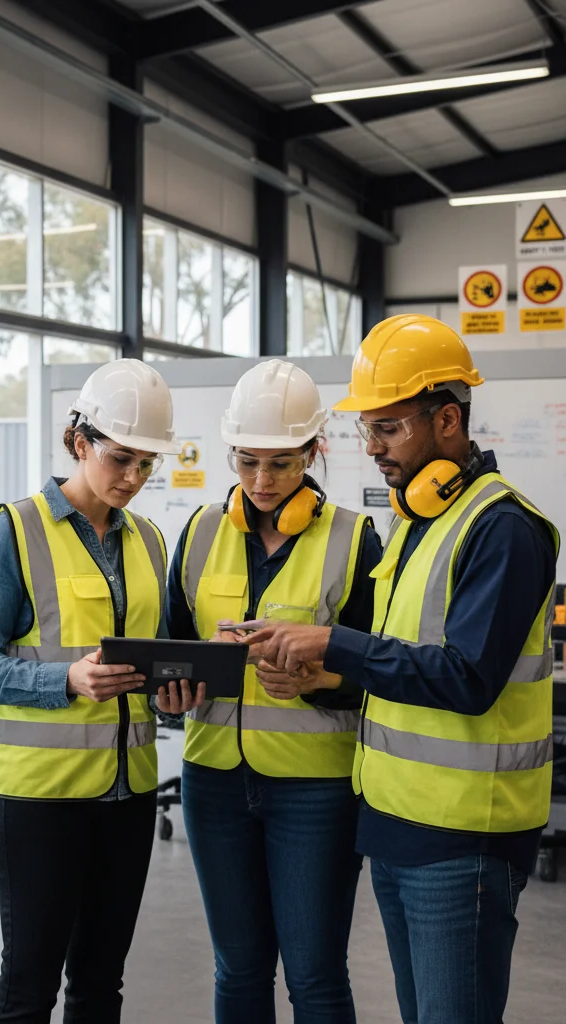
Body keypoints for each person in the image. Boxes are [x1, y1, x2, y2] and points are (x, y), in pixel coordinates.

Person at [246, 315, 559, 1024]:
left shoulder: (502, 528)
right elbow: (403, 667)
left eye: (388, 428)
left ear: (447, 419)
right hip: (395, 820)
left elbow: (466, 679)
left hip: (464, 835)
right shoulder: (419, 520)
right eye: (367, 430)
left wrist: (333, 644)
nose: (373, 448)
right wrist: (324, 678)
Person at [0, 359, 180, 1024]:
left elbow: (153, 655)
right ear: (79, 442)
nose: (135, 479)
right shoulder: (13, 533)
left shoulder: (149, 540)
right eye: (122, 459)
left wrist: (173, 690)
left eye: (148, 464)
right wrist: (66, 680)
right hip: (39, 804)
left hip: (128, 795)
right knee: (29, 987)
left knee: (99, 986)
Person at [160, 360, 382, 1024]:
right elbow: (174, 647)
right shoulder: (199, 534)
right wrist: (170, 695)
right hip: (214, 781)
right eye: (248, 461)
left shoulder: (354, 539)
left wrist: (322, 679)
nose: (261, 481)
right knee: (239, 968)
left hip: (315, 788)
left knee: (314, 976)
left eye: (282, 463)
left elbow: (381, 671)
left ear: (315, 451)